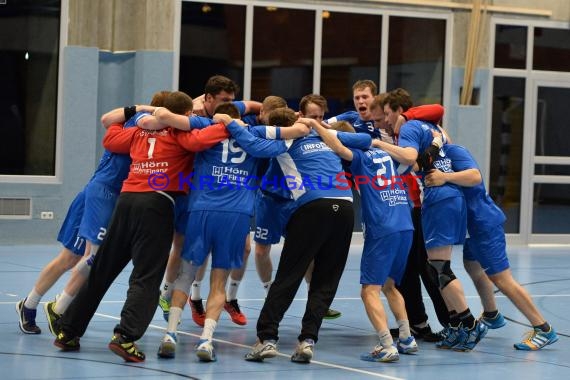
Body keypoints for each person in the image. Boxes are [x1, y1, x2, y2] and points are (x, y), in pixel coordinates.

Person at [52, 92, 230, 363]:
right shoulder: (181, 135)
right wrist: (225, 120)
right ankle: (125, 337)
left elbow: (109, 134)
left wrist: (143, 115)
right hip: (156, 205)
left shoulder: (137, 132)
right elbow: (211, 134)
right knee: (146, 276)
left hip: (126, 202)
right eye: (190, 115)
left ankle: (68, 332)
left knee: (101, 269)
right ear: (184, 115)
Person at [218, 107, 371, 363]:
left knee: (289, 275)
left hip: (313, 207)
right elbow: (364, 140)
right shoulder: (323, 137)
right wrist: (320, 127)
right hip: (345, 207)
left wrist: (230, 122)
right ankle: (307, 340)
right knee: (326, 280)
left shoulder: (283, 142)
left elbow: (250, 142)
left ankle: (267, 338)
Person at [16, 92, 167, 335]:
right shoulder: (139, 124)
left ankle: (29, 304)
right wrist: (142, 107)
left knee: (69, 258)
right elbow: (107, 119)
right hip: (101, 193)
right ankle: (60, 306)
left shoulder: (156, 129)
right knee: (94, 257)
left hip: (105, 194)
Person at [375, 88, 488, 352]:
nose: (388, 121)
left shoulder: (410, 128)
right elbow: (421, 162)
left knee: (439, 268)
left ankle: (470, 324)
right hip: (445, 200)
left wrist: (377, 144)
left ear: (399, 112)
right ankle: (459, 326)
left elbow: (411, 159)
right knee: (437, 267)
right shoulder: (431, 128)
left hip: (439, 199)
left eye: (389, 115)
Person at [423, 144, 559, 351]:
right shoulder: (427, 160)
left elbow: (475, 176)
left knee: (502, 279)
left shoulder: (454, 151)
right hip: (469, 229)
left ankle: (543, 328)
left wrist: (445, 178)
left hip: (484, 225)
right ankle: (492, 315)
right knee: (474, 270)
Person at [158, 75, 261, 327]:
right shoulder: (195, 117)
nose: (231, 104)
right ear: (209, 99)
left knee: (245, 248)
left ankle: (229, 298)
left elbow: (253, 106)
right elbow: (167, 119)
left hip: (227, 196)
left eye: (231, 100)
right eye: (225, 100)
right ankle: (173, 294)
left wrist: (268, 110)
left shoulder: (230, 112)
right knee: (186, 248)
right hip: (190, 187)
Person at [312, 119, 418, 363]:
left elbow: (339, 149)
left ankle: (386, 344)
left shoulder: (359, 158)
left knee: (369, 290)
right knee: (390, 285)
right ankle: (406, 338)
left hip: (382, 226)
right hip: (405, 223)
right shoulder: (384, 153)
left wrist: (318, 129)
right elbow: (409, 163)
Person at [368, 93, 450, 341]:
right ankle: (418, 324)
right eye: (374, 121)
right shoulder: (369, 127)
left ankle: (454, 322)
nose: (379, 124)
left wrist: (404, 117)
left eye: (382, 118)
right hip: (400, 207)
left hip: (419, 206)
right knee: (404, 271)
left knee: (428, 267)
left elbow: (437, 107)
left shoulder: (410, 127)